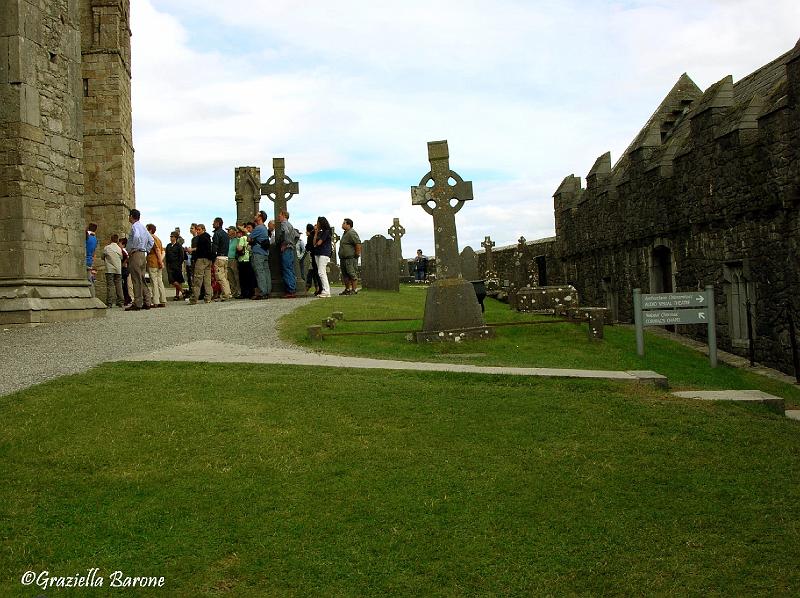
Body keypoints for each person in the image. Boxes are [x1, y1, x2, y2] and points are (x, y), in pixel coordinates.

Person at [125, 208, 154, 311]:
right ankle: (147, 301)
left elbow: (136, 237)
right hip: (143, 254)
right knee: (142, 278)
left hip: (136, 254)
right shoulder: (143, 227)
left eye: (129, 216)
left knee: (136, 279)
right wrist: (146, 249)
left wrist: (134, 248)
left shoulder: (135, 227)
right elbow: (151, 240)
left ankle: (138, 303)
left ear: (132, 216)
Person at [187, 223, 213, 305]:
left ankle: (194, 299)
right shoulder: (208, 237)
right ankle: (208, 297)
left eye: (199, 230)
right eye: (197, 229)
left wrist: (192, 249)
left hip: (201, 259)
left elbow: (200, 249)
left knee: (197, 279)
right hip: (208, 260)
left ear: (203, 229)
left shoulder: (201, 238)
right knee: (207, 280)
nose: (197, 231)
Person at [276, 209, 299, 298]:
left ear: (284, 215)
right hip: (291, 249)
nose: (279, 216)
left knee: (287, 269)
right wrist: (292, 244)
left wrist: (285, 244)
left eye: (280, 215)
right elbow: (297, 236)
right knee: (290, 269)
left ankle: (290, 291)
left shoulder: (284, 224)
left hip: (286, 249)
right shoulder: (290, 225)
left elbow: (285, 233)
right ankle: (292, 289)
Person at [248, 212, 271, 300]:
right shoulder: (264, 228)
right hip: (264, 253)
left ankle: (262, 292)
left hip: (258, 253)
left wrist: (250, 237)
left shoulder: (258, 228)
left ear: (260, 217)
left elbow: (249, 238)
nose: (255, 216)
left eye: (257, 215)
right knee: (266, 272)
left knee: (259, 272)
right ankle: (267, 291)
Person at [211, 217, 233, 301]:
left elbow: (214, 247)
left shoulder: (217, 234)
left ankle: (226, 294)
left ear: (217, 223)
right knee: (225, 277)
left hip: (219, 257)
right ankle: (228, 293)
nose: (212, 224)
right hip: (226, 257)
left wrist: (213, 257)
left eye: (214, 222)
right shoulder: (225, 234)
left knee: (220, 277)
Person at [338, 218, 362, 295]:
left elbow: (358, 243)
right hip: (343, 258)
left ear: (348, 224)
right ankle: (347, 289)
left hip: (350, 258)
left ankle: (354, 290)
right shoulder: (345, 233)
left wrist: (357, 254)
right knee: (345, 274)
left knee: (351, 273)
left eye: (343, 223)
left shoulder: (352, 232)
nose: (342, 224)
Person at [145, 223, 167, 307]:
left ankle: (156, 301)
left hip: (153, 261)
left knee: (154, 282)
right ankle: (163, 300)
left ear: (150, 230)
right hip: (158, 261)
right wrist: (161, 261)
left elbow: (157, 250)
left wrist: (159, 261)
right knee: (159, 281)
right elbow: (162, 251)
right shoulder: (158, 238)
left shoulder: (151, 238)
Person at [102, 233, 124, 307]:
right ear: (117, 240)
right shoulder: (119, 249)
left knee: (110, 286)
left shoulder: (107, 248)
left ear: (111, 239)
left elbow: (102, 256)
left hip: (109, 269)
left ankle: (109, 302)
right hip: (118, 269)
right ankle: (120, 302)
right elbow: (121, 257)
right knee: (119, 285)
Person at [313, 216, 332, 298]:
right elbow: (314, 242)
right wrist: (316, 233)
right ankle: (325, 290)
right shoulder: (320, 232)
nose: (317, 224)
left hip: (324, 253)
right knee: (321, 272)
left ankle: (326, 291)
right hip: (317, 253)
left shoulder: (326, 232)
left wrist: (316, 244)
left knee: (321, 272)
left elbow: (319, 243)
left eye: (318, 222)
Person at [165, 231, 186, 300]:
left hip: (177, 265)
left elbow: (182, 256)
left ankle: (177, 295)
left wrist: (178, 264)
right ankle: (183, 291)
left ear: (176, 238)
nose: (171, 238)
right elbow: (167, 255)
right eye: (170, 236)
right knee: (172, 280)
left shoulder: (179, 246)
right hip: (170, 265)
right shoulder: (168, 246)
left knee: (178, 280)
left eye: (172, 236)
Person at [237, 224, 255, 299]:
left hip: (242, 259)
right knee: (249, 277)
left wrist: (237, 246)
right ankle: (251, 293)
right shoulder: (249, 238)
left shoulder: (242, 238)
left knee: (243, 278)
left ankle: (244, 293)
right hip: (248, 258)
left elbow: (240, 248)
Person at [303, 223, 320, 294]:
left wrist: (306, 248)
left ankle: (307, 288)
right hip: (315, 257)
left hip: (313, 257)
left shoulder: (310, 237)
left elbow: (308, 247)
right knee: (314, 274)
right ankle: (317, 288)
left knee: (311, 273)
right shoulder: (313, 236)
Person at [226, 226, 240, 298]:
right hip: (227, 259)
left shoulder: (237, 239)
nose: (227, 232)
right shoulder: (228, 240)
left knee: (236, 276)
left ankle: (238, 291)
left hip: (234, 259)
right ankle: (234, 292)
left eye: (229, 230)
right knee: (230, 277)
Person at [85, 223, 98, 297]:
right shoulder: (95, 239)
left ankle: (92, 296)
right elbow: (94, 252)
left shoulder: (87, 237)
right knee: (90, 279)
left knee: (89, 280)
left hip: (85, 259)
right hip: (90, 260)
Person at [119, 237, 131, 306]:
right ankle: (127, 298)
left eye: (119, 243)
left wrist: (124, 263)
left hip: (124, 270)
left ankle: (127, 299)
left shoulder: (123, 251)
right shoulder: (123, 250)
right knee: (124, 285)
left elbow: (127, 257)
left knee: (124, 285)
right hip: (124, 269)